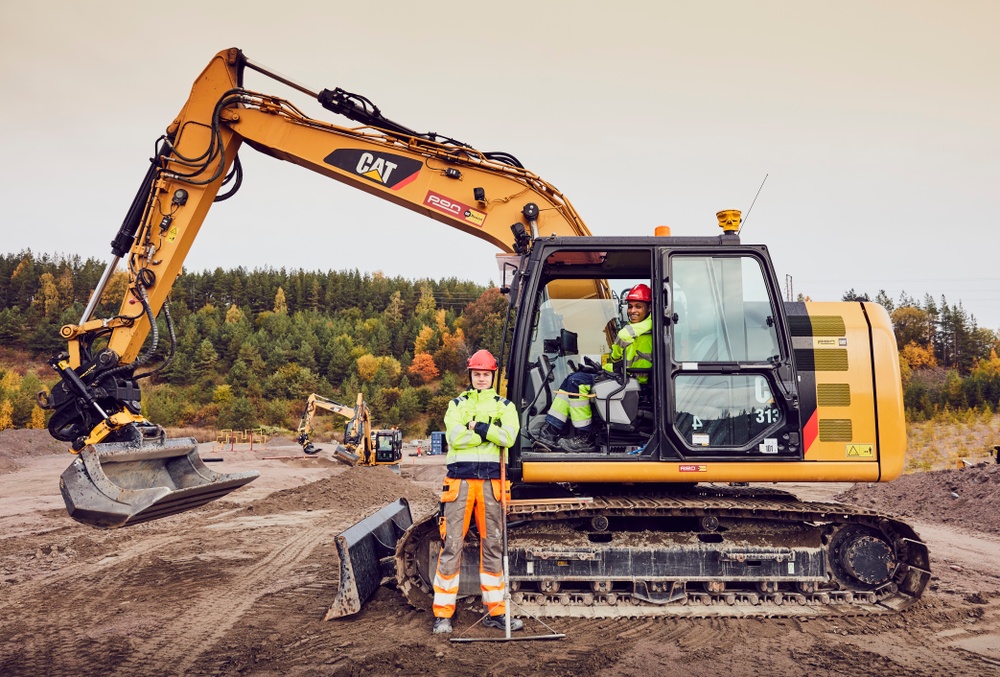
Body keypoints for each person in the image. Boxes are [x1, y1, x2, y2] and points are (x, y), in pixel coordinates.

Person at [431, 349, 524, 635]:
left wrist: (477, 426)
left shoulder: (505, 406)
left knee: (493, 546)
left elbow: (508, 437)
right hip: (460, 482)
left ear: (493, 376)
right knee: (452, 546)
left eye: (485, 374)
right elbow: (455, 439)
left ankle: (496, 612)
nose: (481, 378)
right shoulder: (456, 404)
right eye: (477, 374)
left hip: (492, 484)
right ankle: (443, 614)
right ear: (470, 376)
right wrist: (489, 433)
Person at [535, 283, 653, 453]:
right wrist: (600, 369)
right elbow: (619, 361)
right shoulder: (643, 327)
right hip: (624, 376)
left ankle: (585, 436)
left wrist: (607, 366)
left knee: (576, 382)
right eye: (631, 306)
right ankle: (550, 429)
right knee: (572, 379)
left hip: (632, 381)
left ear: (649, 308)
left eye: (638, 307)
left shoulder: (637, 329)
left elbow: (617, 353)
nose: (632, 311)